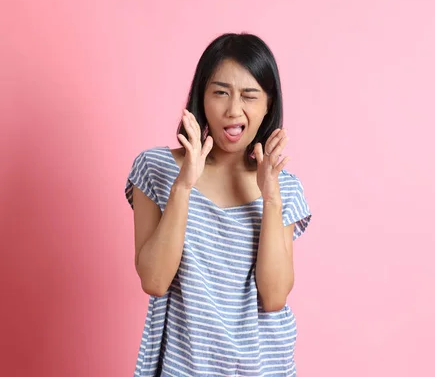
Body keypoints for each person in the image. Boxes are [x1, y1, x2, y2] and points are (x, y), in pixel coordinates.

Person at [125, 33, 312, 377]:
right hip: (183, 367)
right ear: (201, 96)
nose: (233, 110)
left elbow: (273, 298)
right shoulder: (156, 168)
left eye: (249, 96)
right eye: (221, 92)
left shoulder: (285, 187)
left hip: (264, 367)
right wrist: (184, 184)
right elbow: (154, 280)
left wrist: (270, 197)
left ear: (268, 104)